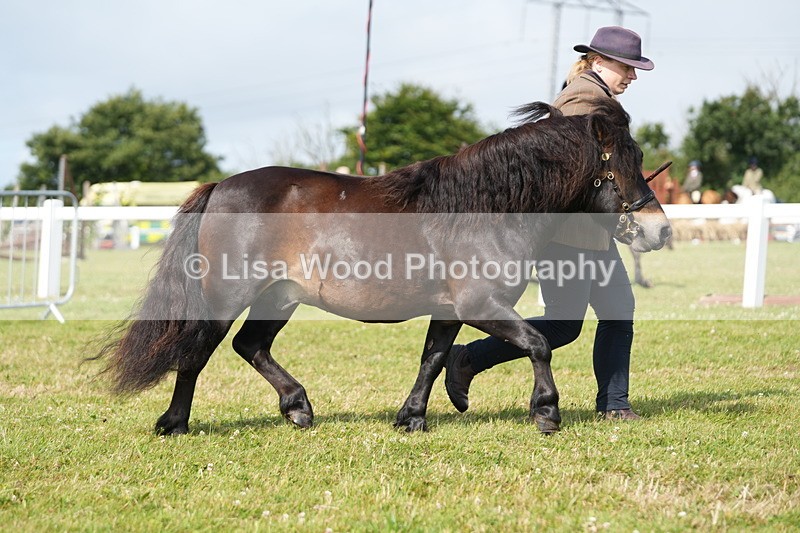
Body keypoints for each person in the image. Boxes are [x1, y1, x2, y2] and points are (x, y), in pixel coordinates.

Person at [444, 26, 655, 421]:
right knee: (563, 326)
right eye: (625, 66)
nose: (632, 75)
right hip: (566, 235)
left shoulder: (597, 97)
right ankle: (467, 358)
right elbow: (570, 171)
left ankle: (614, 404)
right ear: (597, 61)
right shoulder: (581, 98)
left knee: (618, 310)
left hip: (592, 234)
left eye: (634, 68)